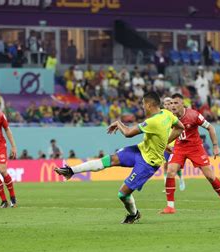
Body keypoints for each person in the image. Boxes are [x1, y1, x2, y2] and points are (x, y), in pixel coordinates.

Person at [55, 92, 185, 224]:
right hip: (140, 150)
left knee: (122, 194)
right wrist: (165, 143)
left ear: (149, 105)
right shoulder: (167, 114)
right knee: (109, 160)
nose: (142, 107)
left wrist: (118, 123)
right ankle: (71, 171)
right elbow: (180, 127)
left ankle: (133, 214)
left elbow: (128, 133)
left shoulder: (152, 122)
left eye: (143, 104)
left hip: (148, 163)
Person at [161, 93, 220, 214]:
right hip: (179, 147)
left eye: (176, 103)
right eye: (171, 103)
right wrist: (165, 145)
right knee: (170, 171)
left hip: (195, 148)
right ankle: (170, 207)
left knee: (210, 176)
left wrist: (215, 146)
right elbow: (163, 134)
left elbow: (210, 127)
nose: (173, 106)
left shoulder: (193, 115)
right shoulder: (168, 117)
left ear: (182, 104)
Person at [161, 97, 185, 192]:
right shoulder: (161, 115)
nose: (167, 105)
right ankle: (165, 186)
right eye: (165, 104)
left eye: (169, 103)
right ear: (163, 105)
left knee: (175, 165)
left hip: (175, 143)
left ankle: (181, 179)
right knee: (165, 165)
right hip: (166, 144)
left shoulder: (174, 115)